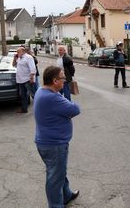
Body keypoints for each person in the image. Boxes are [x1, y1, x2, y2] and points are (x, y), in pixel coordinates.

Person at [34, 66, 81, 208]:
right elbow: (75, 109)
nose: (65, 81)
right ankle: (55, 205)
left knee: (59, 171)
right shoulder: (52, 97)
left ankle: (66, 195)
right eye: (62, 78)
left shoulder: (42, 91)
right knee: (54, 177)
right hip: (54, 144)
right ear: (55, 81)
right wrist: (65, 98)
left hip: (48, 141)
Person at [13, 47, 36, 113]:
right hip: (20, 80)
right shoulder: (19, 58)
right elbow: (14, 65)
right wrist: (15, 58)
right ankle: (24, 109)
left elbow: (33, 68)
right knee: (23, 95)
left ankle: (42, 108)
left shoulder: (28, 57)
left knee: (33, 94)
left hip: (27, 79)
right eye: (17, 52)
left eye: (18, 52)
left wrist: (31, 78)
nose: (17, 53)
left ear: (23, 51)